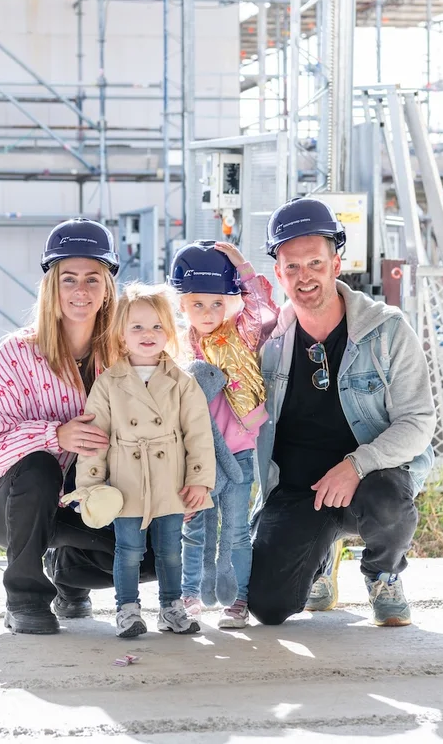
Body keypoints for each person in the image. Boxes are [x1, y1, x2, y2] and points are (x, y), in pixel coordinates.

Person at [248, 198, 436, 627]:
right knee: (268, 607)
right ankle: (319, 559)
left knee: (388, 498)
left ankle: (382, 573)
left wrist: (355, 465)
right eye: (291, 267)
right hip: (297, 489)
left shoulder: (386, 330)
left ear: (336, 263)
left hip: (370, 481)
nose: (304, 277)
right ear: (278, 274)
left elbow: (418, 422)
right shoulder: (267, 343)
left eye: (314, 262)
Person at [0, 218, 156, 635]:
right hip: (18, 504)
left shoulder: (128, 357)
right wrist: (54, 435)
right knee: (39, 466)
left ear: (108, 287)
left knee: (154, 556)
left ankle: (68, 576)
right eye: (68, 279)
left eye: (92, 278)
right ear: (52, 287)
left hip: (89, 500)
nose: (81, 291)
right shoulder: (17, 353)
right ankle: (25, 599)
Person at [71, 283, 217, 638]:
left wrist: (199, 480)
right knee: (129, 550)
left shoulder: (183, 382)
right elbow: (94, 440)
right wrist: (90, 486)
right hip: (126, 482)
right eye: (137, 326)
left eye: (156, 326)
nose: (147, 334)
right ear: (121, 334)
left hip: (170, 481)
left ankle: (171, 607)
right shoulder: (108, 383)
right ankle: (127, 609)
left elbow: (198, 433)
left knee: (170, 550)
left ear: (170, 332)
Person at [169, 240, 277, 629]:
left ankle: (239, 598)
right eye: (198, 304)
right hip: (196, 457)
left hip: (239, 451)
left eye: (218, 303)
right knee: (195, 527)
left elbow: (264, 307)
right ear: (182, 304)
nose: (209, 312)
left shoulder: (240, 334)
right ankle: (190, 594)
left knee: (234, 529)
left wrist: (241, 265)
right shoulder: (177, 348)